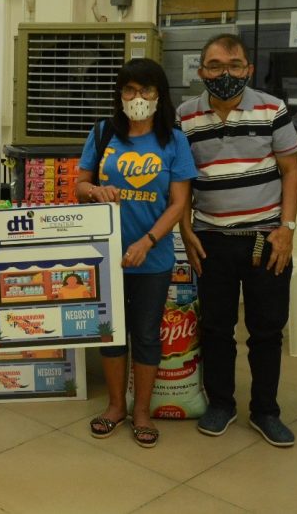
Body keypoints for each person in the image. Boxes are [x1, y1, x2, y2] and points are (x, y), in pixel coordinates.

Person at [177, 33, 297, 448]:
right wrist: (185, 228)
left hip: (265, 238)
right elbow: (182, 180)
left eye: (234, 65)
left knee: (266, 330)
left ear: (248, 69)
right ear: (201, 71)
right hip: (210, 238)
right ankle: (222, 403)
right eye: (215, 66)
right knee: (215, 328)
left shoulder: (272, 108)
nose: (224, 74)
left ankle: (266, 410)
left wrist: (287, 228)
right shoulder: (185, 116)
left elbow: (291, 172)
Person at [76, 58, 196, 448]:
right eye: (129, 90)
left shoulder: (174, 141)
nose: (137, 97)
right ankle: (115, 407)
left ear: (160, 95)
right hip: (106, 255)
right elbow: (80, 184)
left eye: (146, 90)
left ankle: (141, 411)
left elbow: (179, 203)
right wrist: (96, 191)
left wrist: (147, 241)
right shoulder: (102, 133)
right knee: (112, 334)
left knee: (145, 334)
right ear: (120, 94)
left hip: (153, 257)